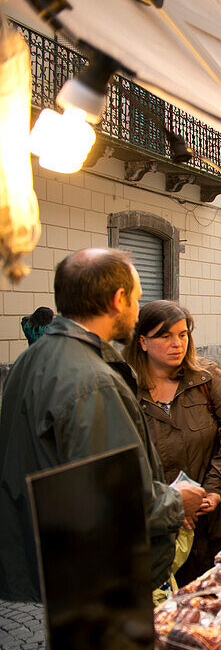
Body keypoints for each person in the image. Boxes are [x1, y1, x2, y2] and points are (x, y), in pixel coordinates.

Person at [0, 249, 204, 601]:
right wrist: (177, 501)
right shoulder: (94, 381)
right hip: (103, 574)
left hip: (61, 562)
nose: (138, 311)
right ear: (119, 299)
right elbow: (118, 501)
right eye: (137, 299)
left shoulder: (29, 359)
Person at [123, 301, 221, 585]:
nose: (177, 344)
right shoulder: (125, 392)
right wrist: (171, 503)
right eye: (165, 336)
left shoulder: (205, 377)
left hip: (217, 520)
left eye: (183, 335)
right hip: (162, 534)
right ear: (142, 342)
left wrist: (213, 486)